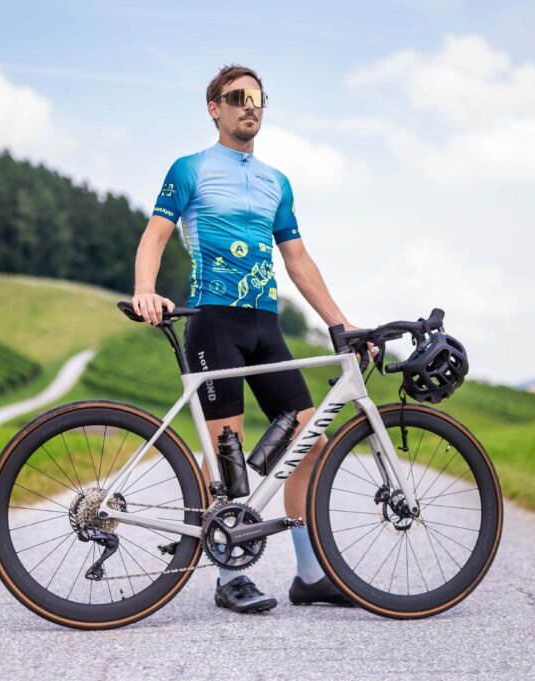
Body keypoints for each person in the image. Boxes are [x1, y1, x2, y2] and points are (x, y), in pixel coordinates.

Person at [132, 64, 363, 614]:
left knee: (310, 445)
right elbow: (154, 236)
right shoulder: (190, 169)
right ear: (214, 108)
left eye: (258, 98)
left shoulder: (276, 182)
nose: (249, 106)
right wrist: (145, 288)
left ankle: (310, 576)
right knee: (230, 459)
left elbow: (298, 260)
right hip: (216, 324)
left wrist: (341, 322)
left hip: (266, 327)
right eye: (237, 97)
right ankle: (228, 579)